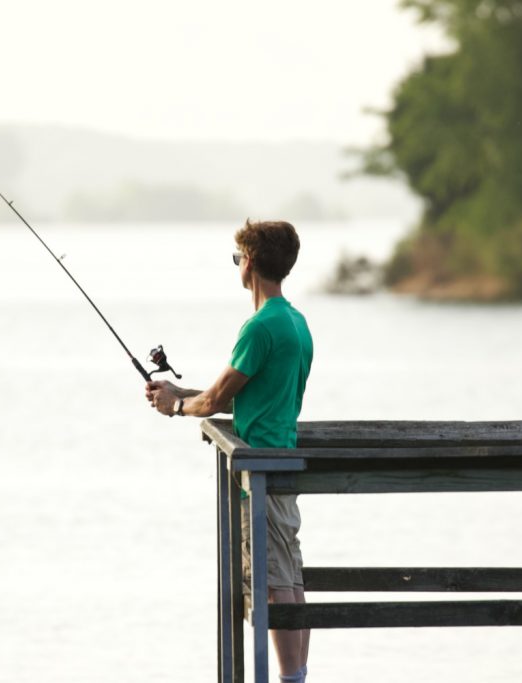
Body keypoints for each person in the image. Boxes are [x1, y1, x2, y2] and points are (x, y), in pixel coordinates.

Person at [146, 219, 313, 683]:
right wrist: (181, 392)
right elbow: (242, 395)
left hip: (258, 473)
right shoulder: (295, 323)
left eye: (238, 258)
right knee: (291, 580)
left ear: (252, 263)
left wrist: (176, 406)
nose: (238, 266)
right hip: (283, 467)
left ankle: (288, 680)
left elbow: (216, 402)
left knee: (274, 585)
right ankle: (297, 675)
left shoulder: (260, 328)